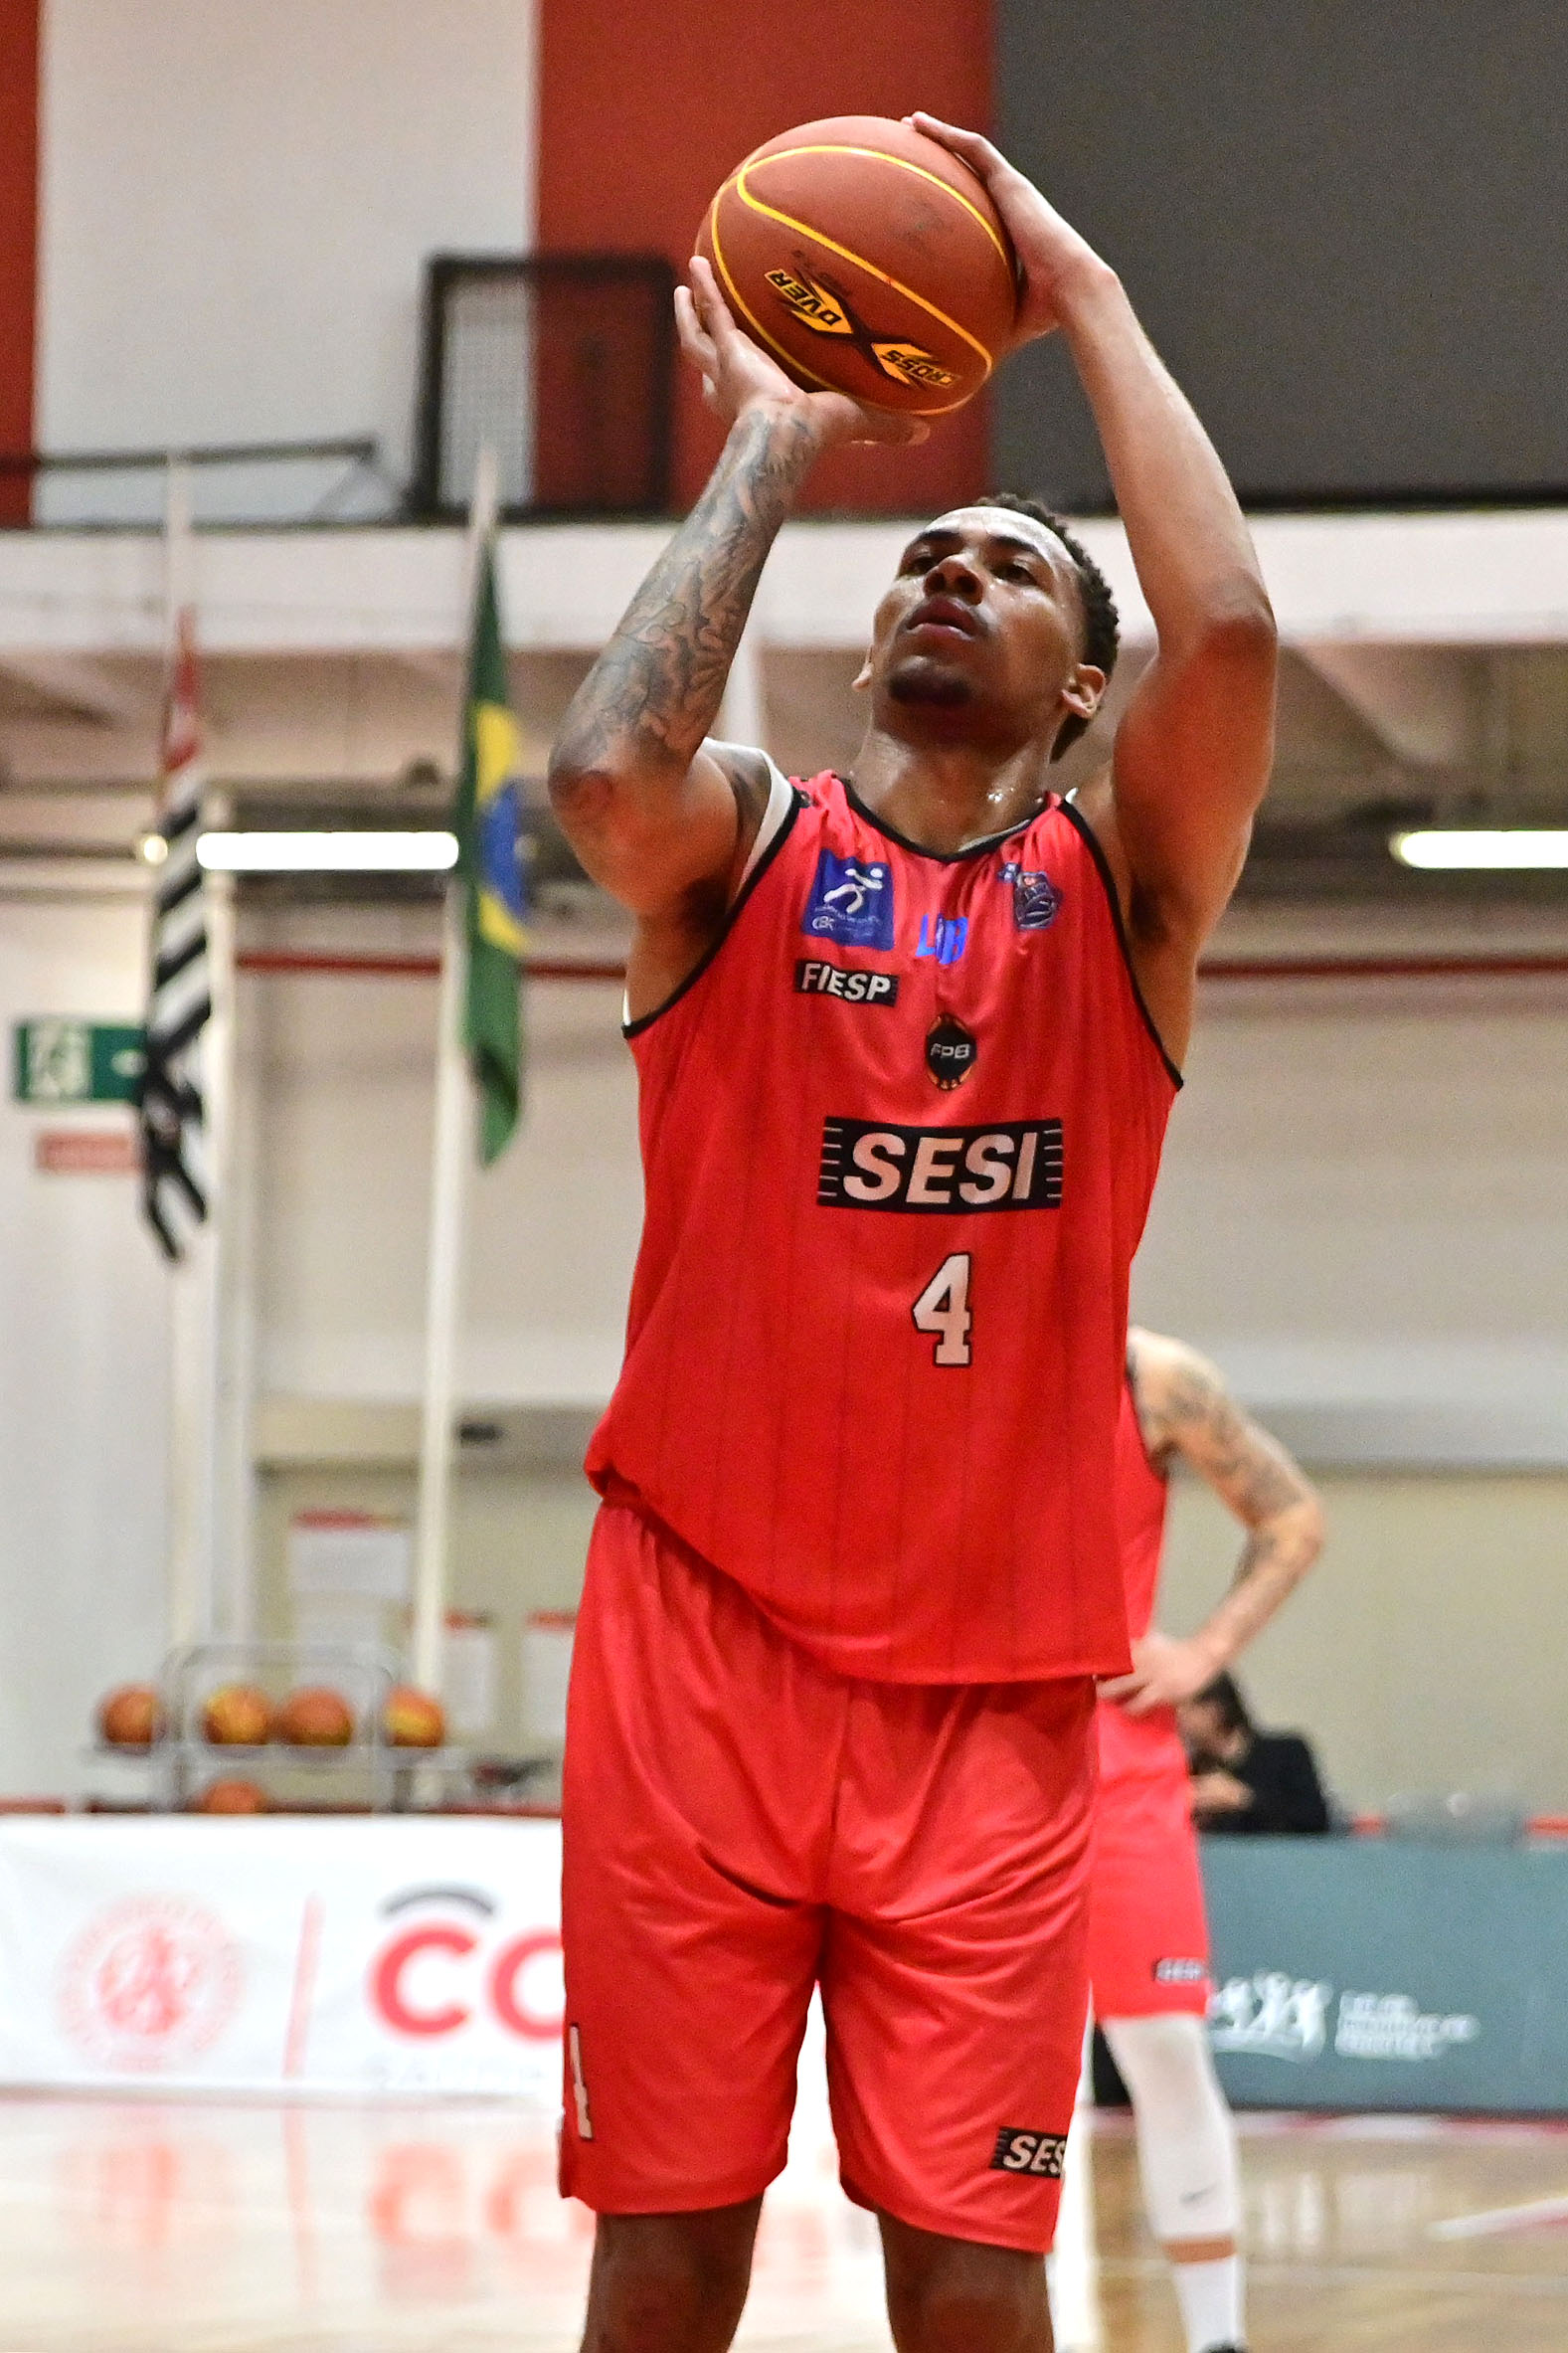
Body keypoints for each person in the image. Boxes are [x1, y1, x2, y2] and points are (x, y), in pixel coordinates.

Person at [546, 110, 1278, 2353]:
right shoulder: (740, 852)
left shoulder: (1122, 906)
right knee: (666, 2249)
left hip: (992, 1701)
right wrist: (774, 443)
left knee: (972, 2274)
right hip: (697, 1644)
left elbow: (1234, 627)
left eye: (1006, 568)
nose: (945, 577)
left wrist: (1084, 296)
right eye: (920, 561)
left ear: (1081, 689)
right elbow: (597, 775)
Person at [1083, 1329, 1324, 2353]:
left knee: (1165, 2044)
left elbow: (1292, 1514)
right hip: (959, 1747)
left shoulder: (1154, 1376)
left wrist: (1204, 1653)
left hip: (1111, 1751)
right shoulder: (928, 1347)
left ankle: (1215, 2340)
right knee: (975, 2069)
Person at [1179, 1669, 1331, 1835]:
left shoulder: (1287, 1754)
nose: (1177, 1718)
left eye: (1183, 1707)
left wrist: (1242, 1799)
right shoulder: (1188, 1769)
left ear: (1214, 1709)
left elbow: (1314, 1822)